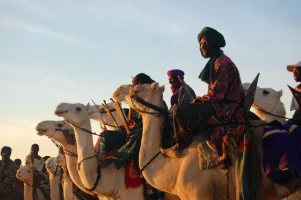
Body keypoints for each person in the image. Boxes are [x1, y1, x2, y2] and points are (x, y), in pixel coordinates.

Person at [163, 27, 246, 158]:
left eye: (205, 43)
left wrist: (198, 100)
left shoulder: (222, 63)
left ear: (214, 43)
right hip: (220, 104)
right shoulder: (216, 61)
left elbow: (216, 95)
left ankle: (181, 146)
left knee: (181, 111)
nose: (202, 47)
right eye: (201, 44)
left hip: (226, 108)